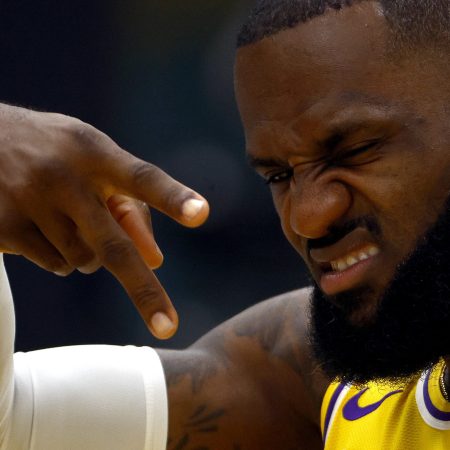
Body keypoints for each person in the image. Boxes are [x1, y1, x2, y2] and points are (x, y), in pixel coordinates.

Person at [0, 0, 449, 448]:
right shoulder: (314, 373)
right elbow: (14, 420)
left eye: (357, 150)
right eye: (279, 176)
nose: (308, 218)